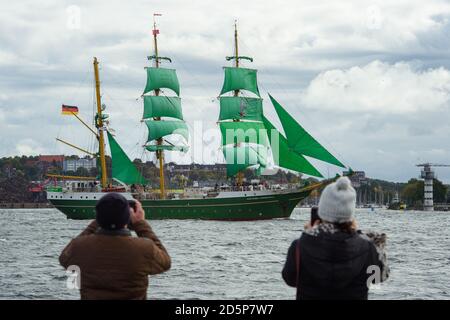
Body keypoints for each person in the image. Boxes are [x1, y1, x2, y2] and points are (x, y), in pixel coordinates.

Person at [282, 176, 389, 300]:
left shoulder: (299, 246)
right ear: (349, 213)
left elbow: (290, 279)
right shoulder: (367, 247)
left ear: (322, 211)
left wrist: (308, 233)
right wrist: (377, 246)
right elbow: (379, 278)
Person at [59, 193, 171, 299]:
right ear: (127, 217)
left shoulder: (80, 247)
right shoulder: (144, 248)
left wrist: (100, 220)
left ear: (98, 216)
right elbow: (165, 262)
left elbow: (64, 258)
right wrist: (140, 223)